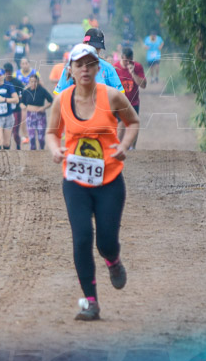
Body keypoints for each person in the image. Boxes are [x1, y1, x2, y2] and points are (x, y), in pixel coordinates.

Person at [46, 43, 140, 321]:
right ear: (70, 70)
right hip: (75, 180)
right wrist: (54, 149)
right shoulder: (62, 100)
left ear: (98, 69)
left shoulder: (111, 96)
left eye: (90, 64)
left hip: (109, 179)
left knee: (106, 242)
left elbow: (133, 122)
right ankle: (90, 302)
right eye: (79, 65)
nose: (85, 70)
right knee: (82, 238)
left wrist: (124, 145)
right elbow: (52, 132)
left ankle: (113, 261)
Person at [54, 28, 125, 95]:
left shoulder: (108, 68)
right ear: (84, 43)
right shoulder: (71, 67)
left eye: (98, 48)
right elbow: (60, 95)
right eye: (93, 47)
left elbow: (121, 95)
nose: (95, 51)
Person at [113, 47, 147, 149]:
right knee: (121, 125)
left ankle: (132, 148)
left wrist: (133, 73)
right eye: (125, 60)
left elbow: (143, 85)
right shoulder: (115, 68)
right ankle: (119, 147)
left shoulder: (137, 67)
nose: (128, 62)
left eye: (130, 60)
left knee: (134, 123)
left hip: (133, 102)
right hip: (119, 103)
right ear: (121, 57)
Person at [20, 72, 53, 150]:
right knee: (31, 138)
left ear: (37, 82)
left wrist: (44, 108)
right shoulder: (26, 91)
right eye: (31, 81)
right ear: (29, 82)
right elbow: (21, 102)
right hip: (30, 116)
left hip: (40, 116)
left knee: (41, 138)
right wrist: (24, 107)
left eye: (35, 81)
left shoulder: (42, 90)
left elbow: (51, 101)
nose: (33, 83)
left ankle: (41, 150)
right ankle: (33, 153)